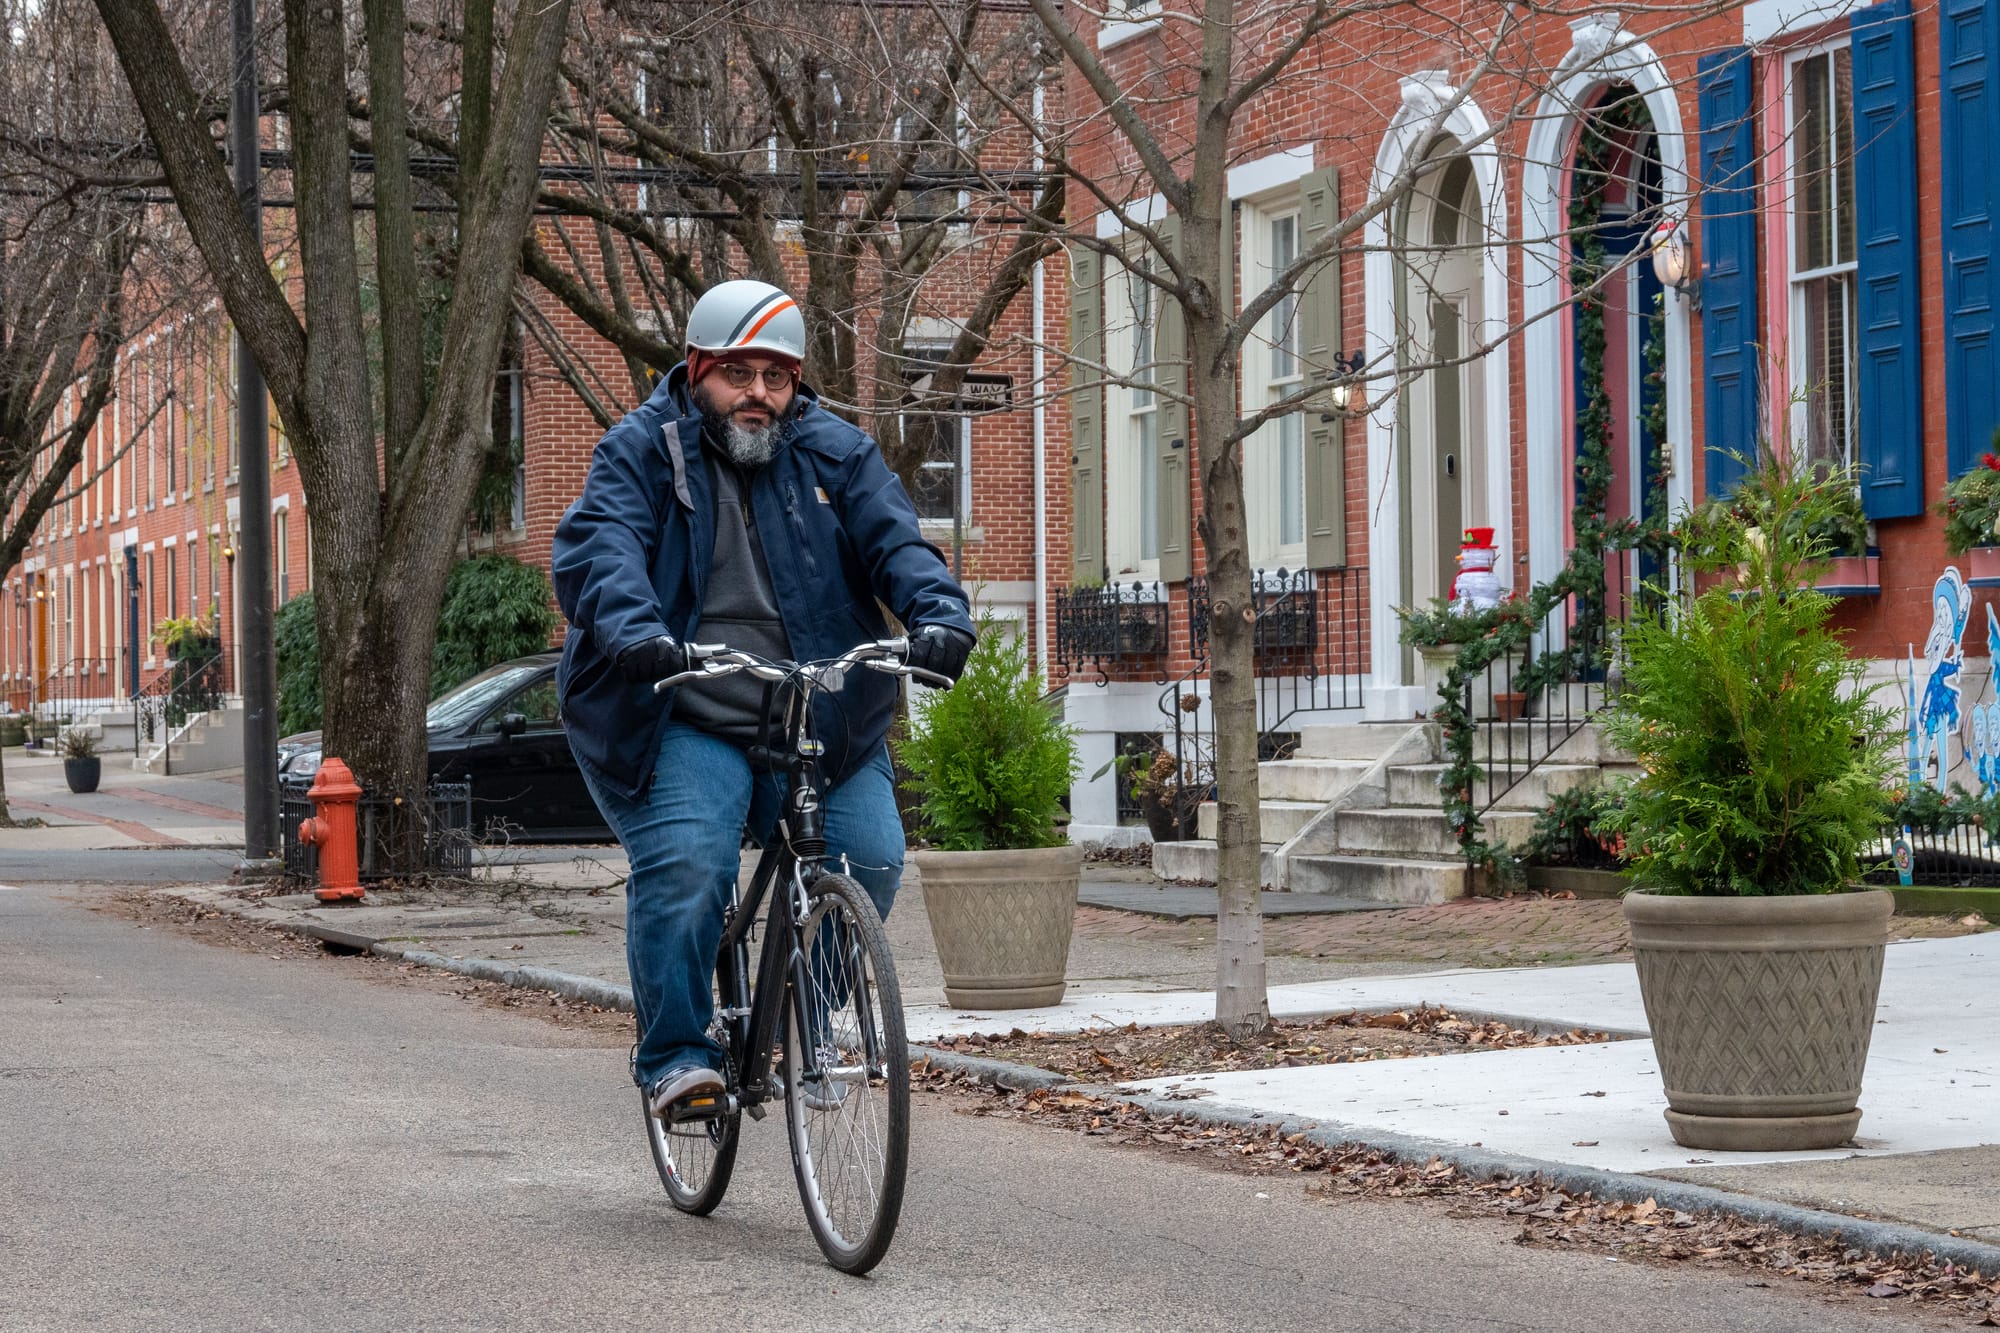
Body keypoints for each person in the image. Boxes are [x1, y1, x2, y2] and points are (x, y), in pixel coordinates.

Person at [551, 279, 976, 1121]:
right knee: (689, 867)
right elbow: (600, 551)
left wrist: (939, 612)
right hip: (681, 704)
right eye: (738, 374)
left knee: (874, 855)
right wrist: (636, 633)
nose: (758, 395)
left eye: (775, 378)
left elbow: (897, 540)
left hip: (813, 707)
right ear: (698, 369)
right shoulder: (641, 450)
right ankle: (677, 1055)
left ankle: (803, 1025)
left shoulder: (835, 453)